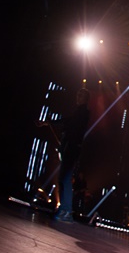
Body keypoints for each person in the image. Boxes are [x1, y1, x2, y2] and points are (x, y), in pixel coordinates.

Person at [36, 87, 91, 222]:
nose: (78, 97)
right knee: (63, 178)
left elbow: (69, 123)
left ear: (85, 98)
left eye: (81, 95)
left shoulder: (83, 112)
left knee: (65, 179)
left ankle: (66, 211)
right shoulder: (79, 112)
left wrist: (51, 122)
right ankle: (65, 210)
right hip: (69, 147)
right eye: (77, 94)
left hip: (72, 148)